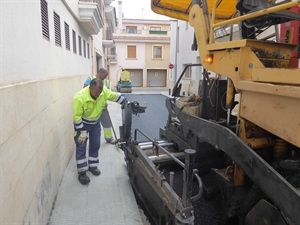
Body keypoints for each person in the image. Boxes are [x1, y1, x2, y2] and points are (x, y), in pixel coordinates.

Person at [72, 78, 126, 185]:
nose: (98, 94)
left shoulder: (103, 92)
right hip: (82, 124)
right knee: (81, 146)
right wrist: (82, 132)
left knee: (95, 144)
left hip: (95, 124)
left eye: (100, 92)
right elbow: (77, 117)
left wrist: (126, 102)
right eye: (96, 92)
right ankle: (82, 172)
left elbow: (114, 96)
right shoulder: (79, 98)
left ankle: (93, 166)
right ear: (90, 88)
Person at [83, 68, 116, 144]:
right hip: (92, 107)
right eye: (105, 75)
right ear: (100, 73)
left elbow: (106, 94)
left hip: (102, 107)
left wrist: (104, 102)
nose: (106, 77)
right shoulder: (90, 80)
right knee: (89, 123)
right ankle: (85, 138)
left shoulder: (105, 82)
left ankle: (109, 138)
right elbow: (85, 91)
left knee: (106, 122)